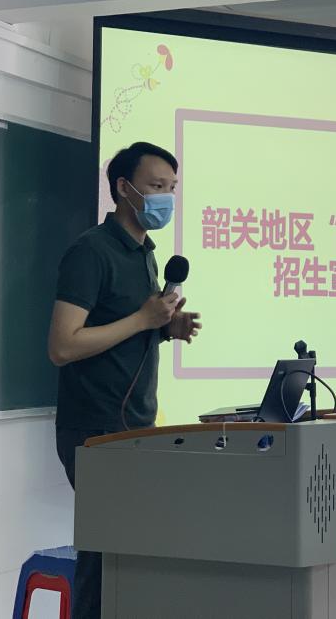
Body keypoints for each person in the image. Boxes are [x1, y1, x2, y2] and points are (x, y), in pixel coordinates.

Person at [48, 141, 201, 619]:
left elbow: (124, 330)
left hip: (134, 426)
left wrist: (165, 328)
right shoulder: (91, 251)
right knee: (105, 556)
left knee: (127, 556)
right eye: (156, 186)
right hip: (94, 429)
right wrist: (142, 319)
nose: (166, 198)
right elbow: (63, 345)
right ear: (123, 188)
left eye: (172, 188)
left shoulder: (146, 254)